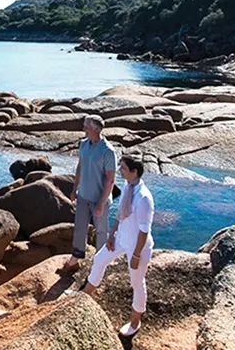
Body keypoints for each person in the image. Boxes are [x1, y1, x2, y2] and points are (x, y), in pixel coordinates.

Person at [80, 154, 155, 338]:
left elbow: (144, 231)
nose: (119, 171)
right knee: (99, 259)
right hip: (122, 239)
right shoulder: (127, 186)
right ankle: (85, 295)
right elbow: (121, 215)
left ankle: (135, 321)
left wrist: (136, 256)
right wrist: (112, 235)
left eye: (123, 168)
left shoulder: (144, 198)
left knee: (137, 283)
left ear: (134, 171)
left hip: (138, 246)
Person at [60, 114, 116, 273]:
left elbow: (110, 179)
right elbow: (80, 166)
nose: (83, 128)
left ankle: (101, 263)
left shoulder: (108, 151)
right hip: (83, 196)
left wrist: (101, 203)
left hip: (100, 199)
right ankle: (75, 258)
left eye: (86, 126)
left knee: (101, 231)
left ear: (96, 129)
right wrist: (74, 189)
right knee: (79, 228)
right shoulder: (83, 144)